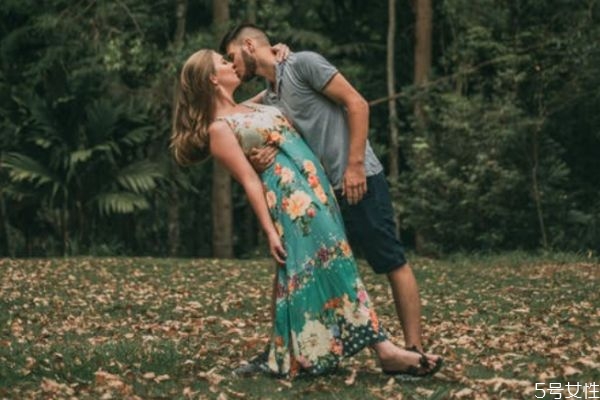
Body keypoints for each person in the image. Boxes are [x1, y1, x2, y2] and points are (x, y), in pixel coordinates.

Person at [170, 49, 441, 379]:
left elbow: (278, 81)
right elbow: (250, 182)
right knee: (336, 265)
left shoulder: (253, 105)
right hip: (293, 204)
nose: (231, 64)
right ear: (213, 78)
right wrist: (270, 231)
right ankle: (385, 351)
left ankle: (292, 352)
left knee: (307, 273)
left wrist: (280, 52)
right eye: (223, 62)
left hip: (318, 191)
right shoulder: (219, 128)